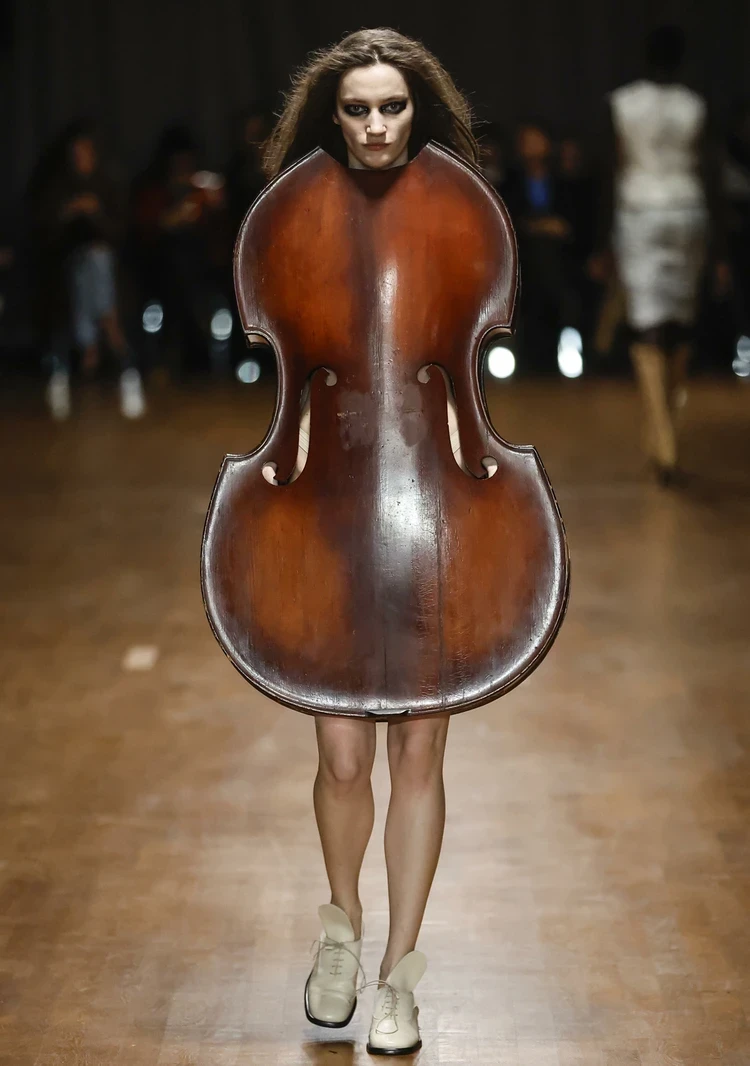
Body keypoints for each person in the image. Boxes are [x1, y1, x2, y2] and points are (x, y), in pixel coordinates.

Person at [259, 27, 479, 1056]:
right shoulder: (296, 210)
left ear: (417, 110)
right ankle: (340, 928)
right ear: (333, 115)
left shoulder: (459, 207)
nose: (378, 125)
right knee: (342, 755)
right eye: (358, 109)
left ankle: (400, 975)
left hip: (443, 502)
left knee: (420, 748)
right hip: (328, 504)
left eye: (393, 107)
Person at [592, 25, 728, 485]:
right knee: (679, 323)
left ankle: (663, 438)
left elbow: (612, 171)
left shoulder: (622, 103)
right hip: (688, 210)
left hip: (640, 212)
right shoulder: (695, 105)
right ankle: (667, 433)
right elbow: (711, 173)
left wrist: (602, 240)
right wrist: (721, 245)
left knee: (648, 322)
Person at [29, 121, 145, 421]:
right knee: (87, 267)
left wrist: (96, 213)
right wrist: (68, 212)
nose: (81, 159)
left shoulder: (108, 185)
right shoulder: (58, 187)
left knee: (98, 260)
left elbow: (121, 234)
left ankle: (89, 345)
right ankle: (109, 327)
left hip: (108, 267)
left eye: (86, 153)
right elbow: (44, 235)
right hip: (67, 268)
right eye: (76, 154)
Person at [500, 121, 580, 372]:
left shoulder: (563, 181)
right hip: (521, 256)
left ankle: (566, 356)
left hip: (561, 256)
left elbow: (574, 222)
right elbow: (508, 218)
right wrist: (536, 226)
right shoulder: (510, 181)